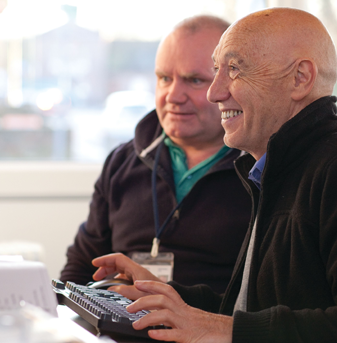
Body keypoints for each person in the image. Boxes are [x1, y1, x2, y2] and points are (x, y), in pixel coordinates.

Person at [90, 8, 337, 343]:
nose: (215, 92)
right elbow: (249, 314)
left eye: (235, 70)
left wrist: (225, 331)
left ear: (300, 78)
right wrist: (167, 297)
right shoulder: (272, 171)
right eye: (216, 70)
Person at [60, 15, 252, 293]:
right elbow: (79, 269)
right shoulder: (123, 162)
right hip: (120, 330)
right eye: (164, 78)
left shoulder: (260, 169)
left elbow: (261, 302)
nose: (173, 95)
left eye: (195, 80)